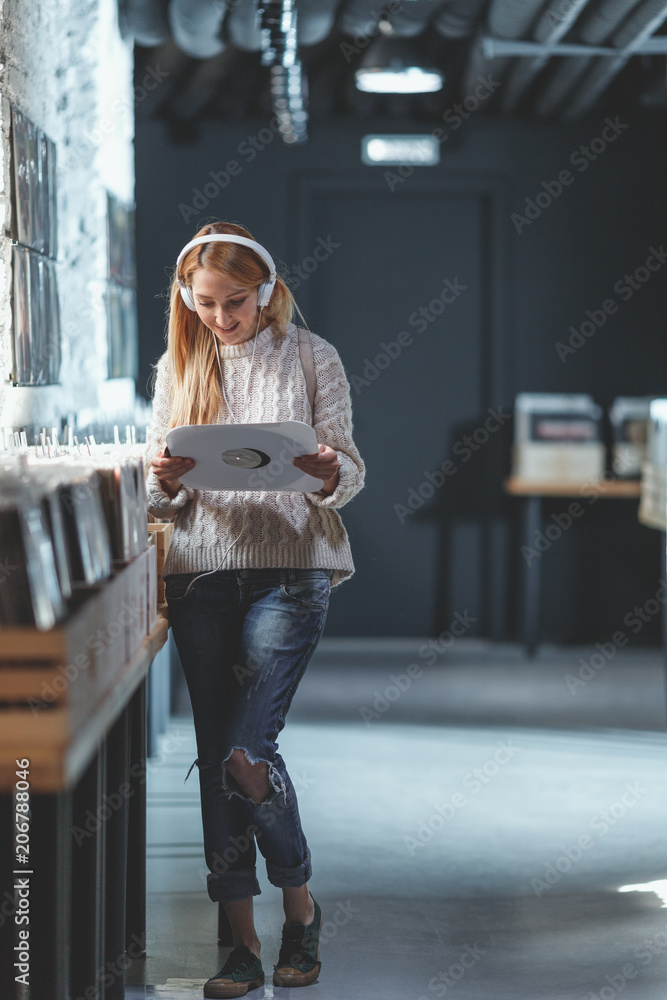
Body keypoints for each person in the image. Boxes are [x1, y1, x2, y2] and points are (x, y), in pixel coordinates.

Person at [144, 220, 365, 998]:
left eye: (234, 302)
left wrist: (327, 468)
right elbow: (155, 496)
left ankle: (298, 904)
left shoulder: (312, 355)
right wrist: (164, 476)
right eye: (204, 304)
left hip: (289, 570)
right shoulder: (181, 361)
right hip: (201, 576)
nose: (220, 319)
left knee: (246, 753)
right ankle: (238, 944)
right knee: (217, 764)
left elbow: (350, 473)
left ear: (266, 291)